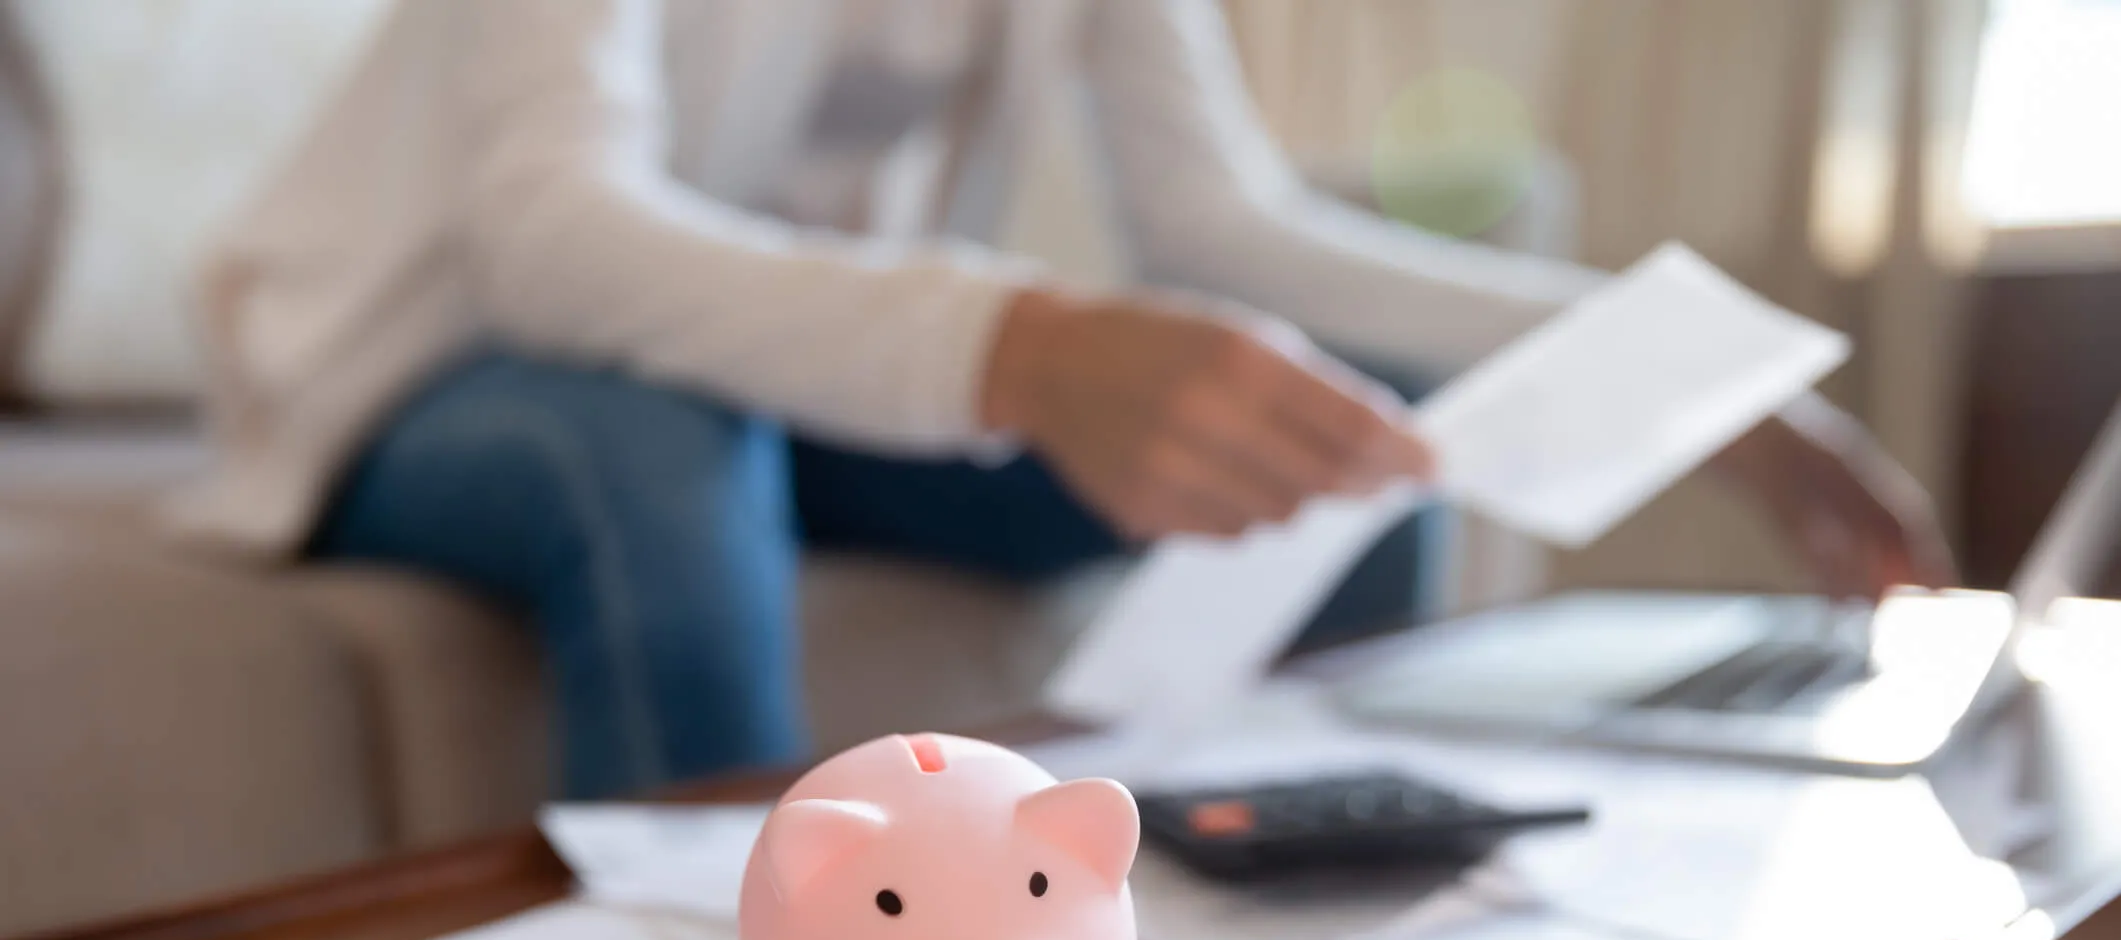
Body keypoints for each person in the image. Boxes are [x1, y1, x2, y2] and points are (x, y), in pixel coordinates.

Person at [175, 0, 1954, 800]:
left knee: (1345, 424)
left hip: (784, 381)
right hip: (435, 367)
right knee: (654, 449)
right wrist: (1024, 347)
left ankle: (1275, 889)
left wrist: (1693, 379)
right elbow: (562, 240)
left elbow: (1231, 227)